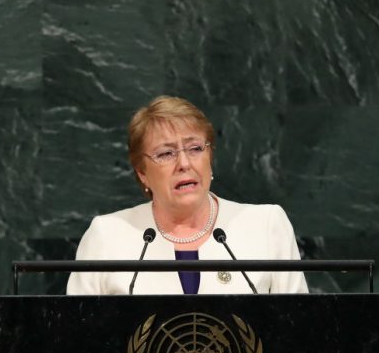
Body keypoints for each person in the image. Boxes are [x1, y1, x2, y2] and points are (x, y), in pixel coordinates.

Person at [66, 96, 308, 295]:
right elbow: (76, 338)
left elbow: (298, 332)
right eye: (166, 154)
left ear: (209, 157)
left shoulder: (266, 225)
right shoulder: (107, 236)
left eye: (194, 149)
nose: (183, 163)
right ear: (142, 173)